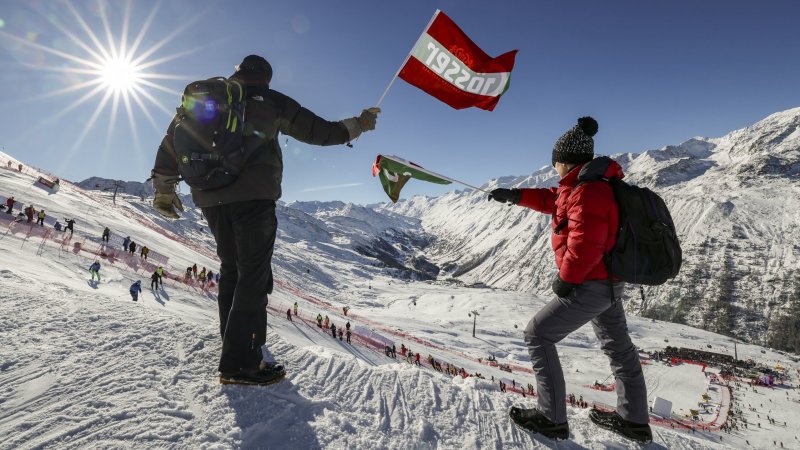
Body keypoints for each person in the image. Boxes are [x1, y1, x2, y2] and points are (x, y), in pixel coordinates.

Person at [150, 54, 380, 386]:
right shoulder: (270, 101)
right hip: (254, 200)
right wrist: (359, 124)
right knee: (254, 278)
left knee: (231, 268)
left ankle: (233, 342)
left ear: (237, 73)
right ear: (266, 79)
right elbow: (320, 132)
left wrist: (165, 188)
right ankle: (241, 363)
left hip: (210, 199)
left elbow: (172, 140)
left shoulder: (207, 100)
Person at [494, 117, 651, 443]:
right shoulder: (584, 187)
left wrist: (568, 279)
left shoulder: (588, 192)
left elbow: (586, 241)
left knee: (537, 335)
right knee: (619, 350)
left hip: (590, 284)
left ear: (565, 161)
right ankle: (633, 420)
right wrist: (515, 195)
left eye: (556, 163)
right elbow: (551, 199)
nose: (555, 170)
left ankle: (551, 418)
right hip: (606, 283)